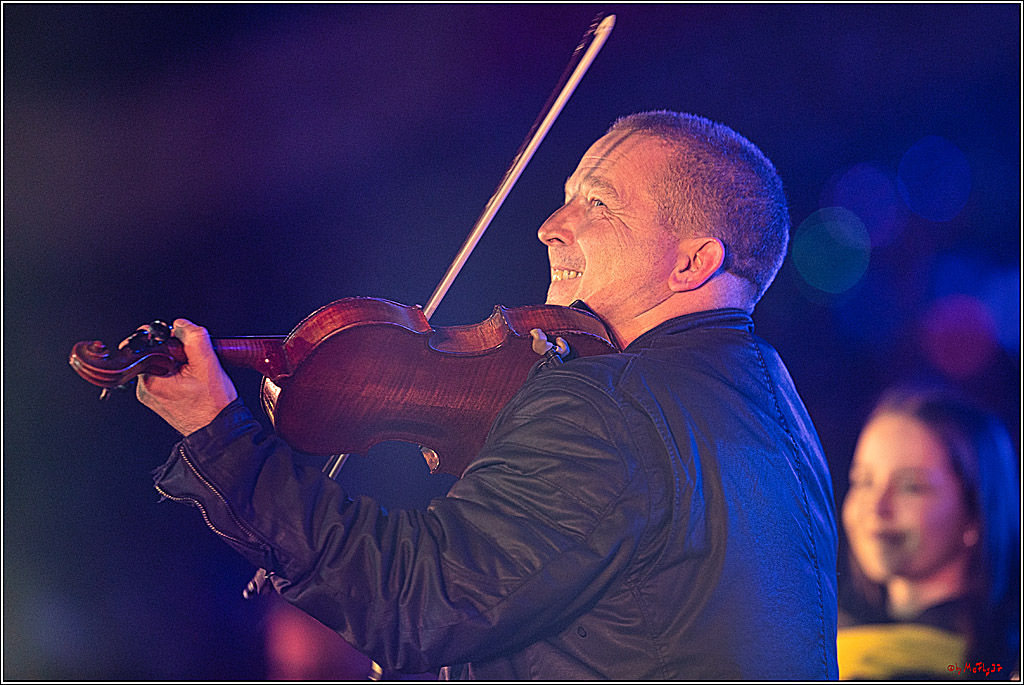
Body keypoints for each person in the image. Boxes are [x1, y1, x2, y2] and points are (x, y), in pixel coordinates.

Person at [140, 111, 839, 679]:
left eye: (598, 202)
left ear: (693, 261)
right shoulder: (777, 404)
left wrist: (219, 433)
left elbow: (417, 602)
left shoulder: (608, 405)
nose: (550, 225)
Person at [838, 385, 1020, 680]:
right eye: (864, 481)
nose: (876, 506)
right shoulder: (832, 636)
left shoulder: (992, 664)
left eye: (912, 487)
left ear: (975, 512)